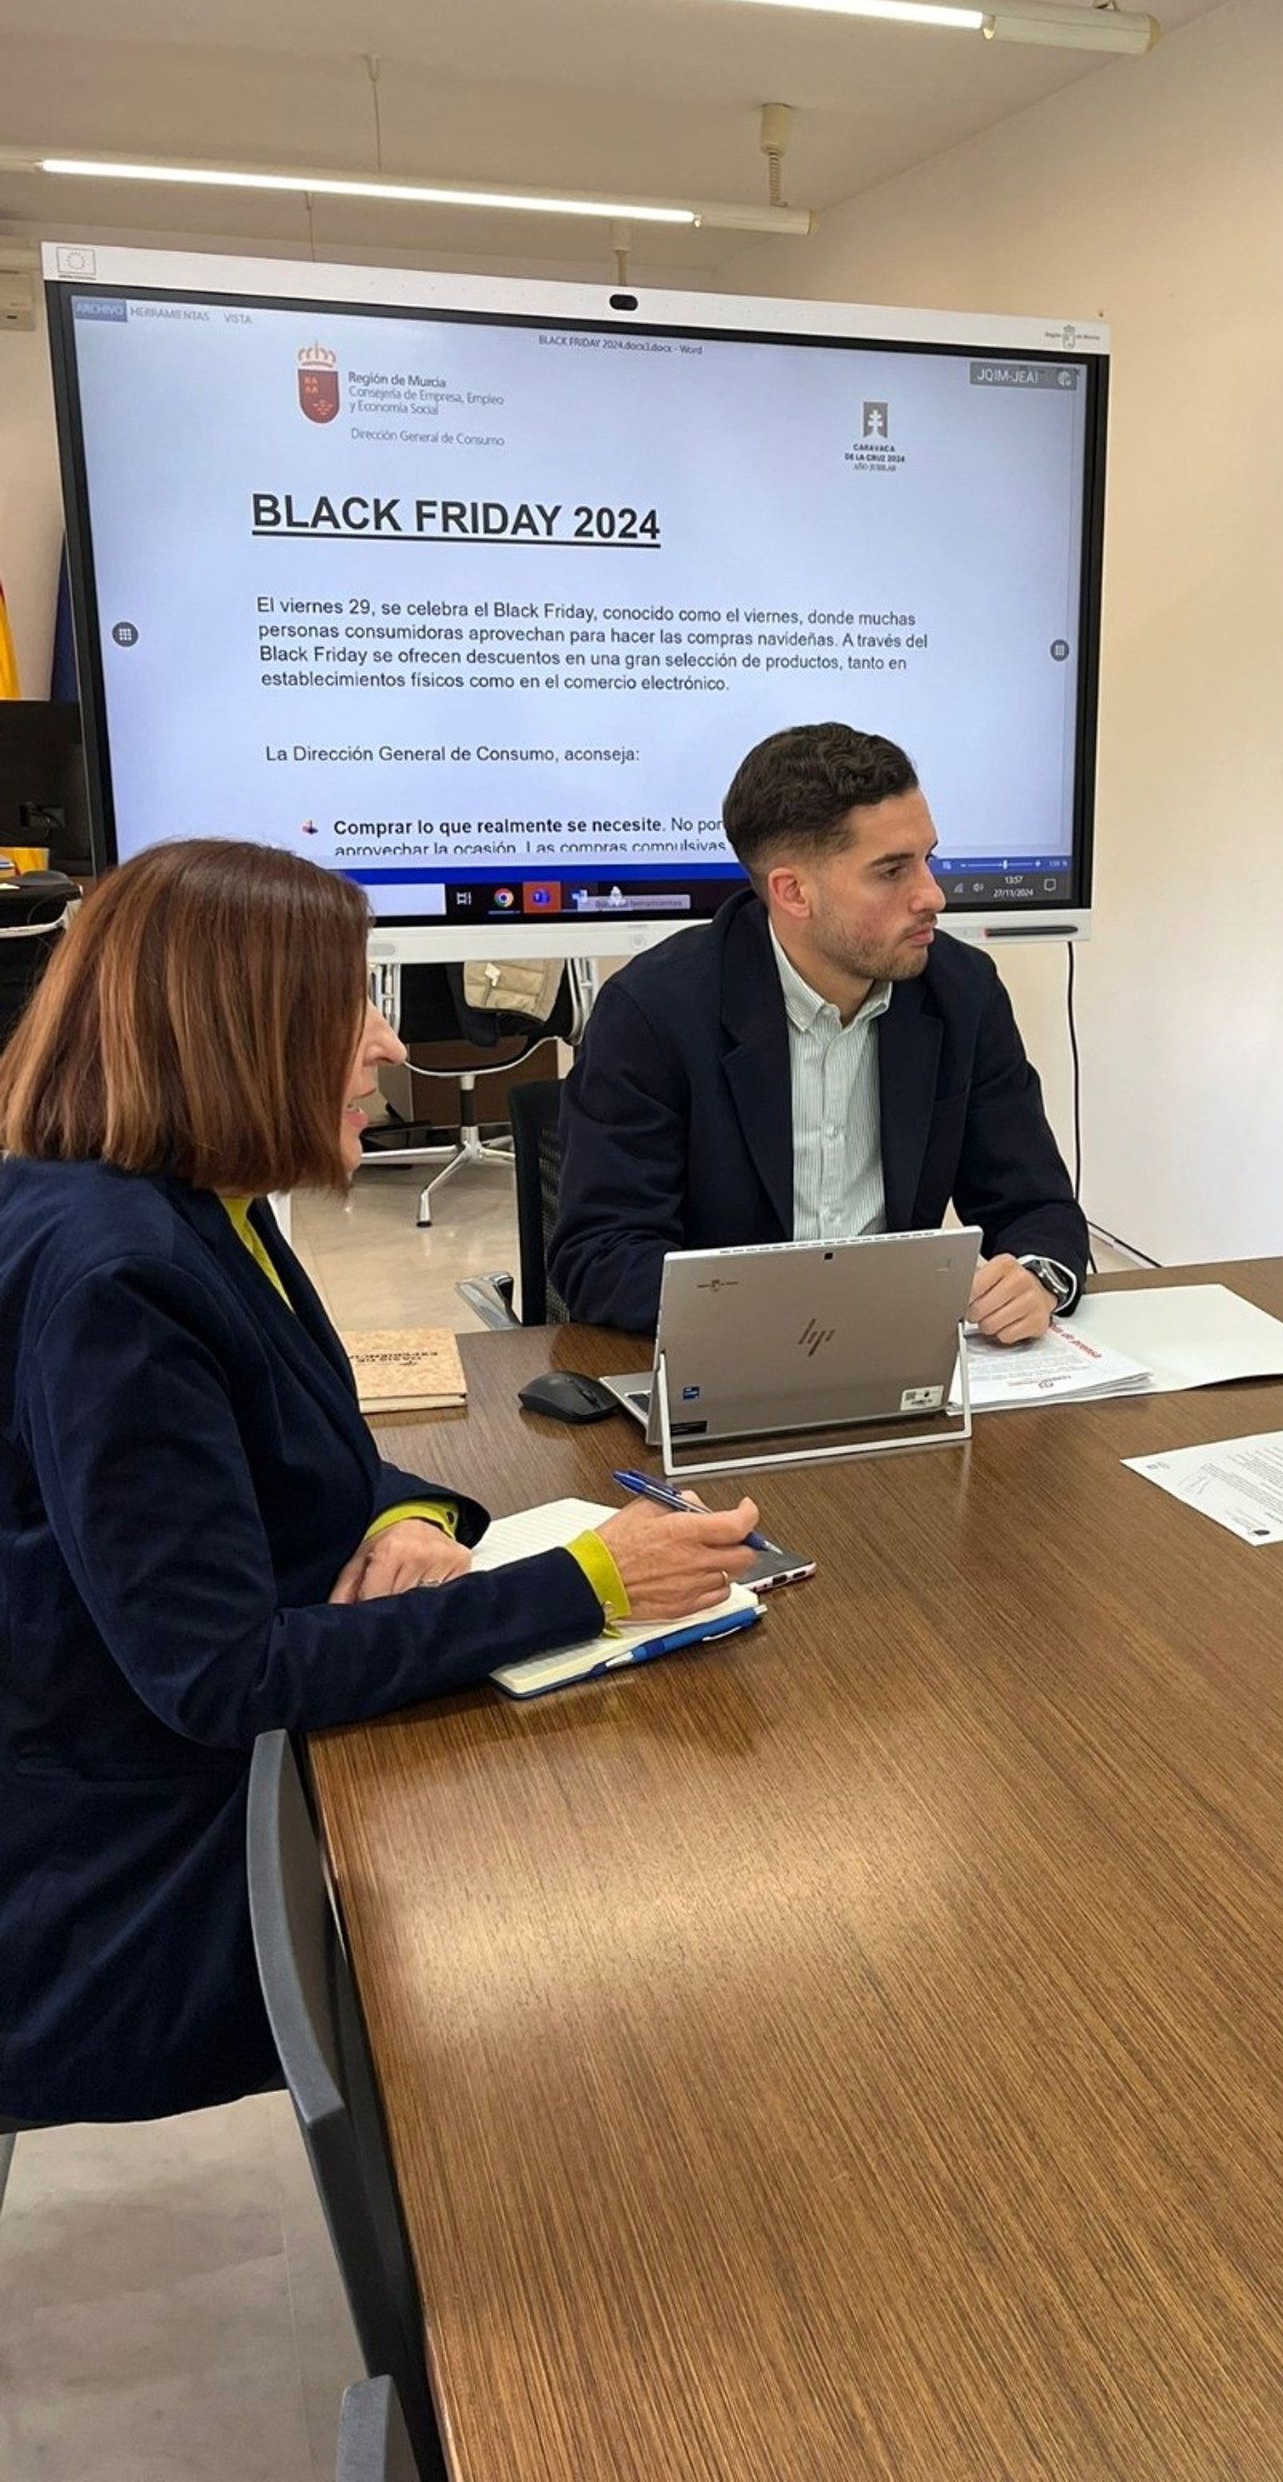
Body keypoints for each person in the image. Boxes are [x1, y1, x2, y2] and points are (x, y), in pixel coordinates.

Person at [0, 840, 761, 2126]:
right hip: (137, 1883)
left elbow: (311, 1457)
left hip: (158, 1778)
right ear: (238, 1030)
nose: (389, 1045)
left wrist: (406, 1511)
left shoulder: (180, 1207)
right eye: (348, 1004)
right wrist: (588, 1581)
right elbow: (220, 1677)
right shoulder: (122, 1281)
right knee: (597, 1940)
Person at [550, 723, 1090, 1339]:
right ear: (792, 892)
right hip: (729, 1356)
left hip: (900, 1357)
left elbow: (1035, 1205)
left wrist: (1037, 1277)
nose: (933, 895)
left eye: (928, 859)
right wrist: (802, 1313)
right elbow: (601, 1255)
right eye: (892, 871)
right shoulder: (653, 1011)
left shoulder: (963, 992)